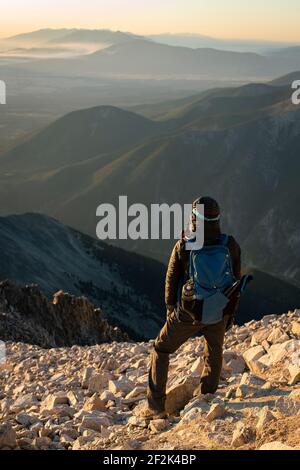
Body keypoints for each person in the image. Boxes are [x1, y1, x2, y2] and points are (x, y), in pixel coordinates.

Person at [141, 196, 241, 419]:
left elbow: (172, 278)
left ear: (195, 218)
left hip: (189, 311)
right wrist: (229, 313)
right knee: (214, 351)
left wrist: (170, 307)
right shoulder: (229, 244)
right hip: (218, 309)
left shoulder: (185, 244)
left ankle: (156, 407)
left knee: (161, 349)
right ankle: (206, 395)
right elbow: (236, 280)